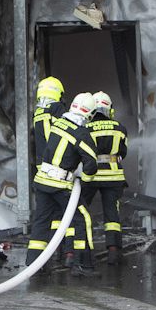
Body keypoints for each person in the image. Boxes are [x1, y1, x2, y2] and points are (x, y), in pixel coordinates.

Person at [29, 92, 96, 267]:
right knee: (83, 218)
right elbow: (91, 163)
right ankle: (82, 264)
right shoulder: (82, 134)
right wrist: (85, 179)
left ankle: (34, 264)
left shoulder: (58, 123)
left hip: (42, 181)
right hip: (60, 185)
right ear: (90, 113)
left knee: (41, 221)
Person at [81, 90, 131, 255]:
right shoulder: (120, 128)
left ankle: (81, 249)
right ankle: (113, 251)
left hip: (91, 176)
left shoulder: (85, 128)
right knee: (112, 214)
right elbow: (123, 153)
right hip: (114, 178)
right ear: (109, 109)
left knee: (81, 210)